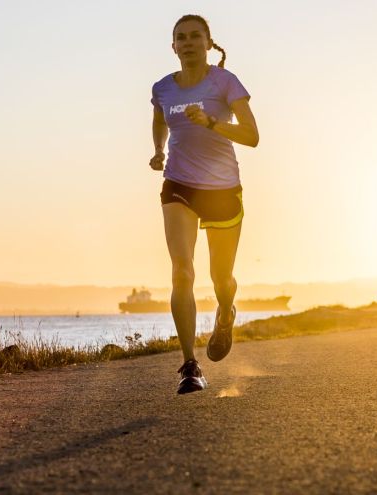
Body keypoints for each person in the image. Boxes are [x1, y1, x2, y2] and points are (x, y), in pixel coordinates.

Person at [149, 14, 259, 394]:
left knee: (220, 279)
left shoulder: (225, 82)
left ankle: (226, 311)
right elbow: (160, 120)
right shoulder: (163, 88)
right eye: (182, 37)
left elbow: (252, 135)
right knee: (182, 271)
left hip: (223, 189)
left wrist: (213, 123)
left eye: (197, 36)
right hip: (178, 184)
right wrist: (158, 151)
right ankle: (189, 366)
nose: (189, 42)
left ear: (209, 43)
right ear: (173, 46)